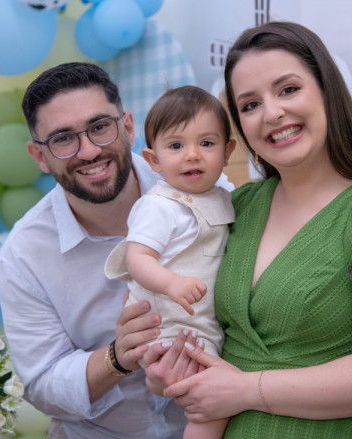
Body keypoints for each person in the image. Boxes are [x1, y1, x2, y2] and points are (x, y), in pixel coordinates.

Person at [145, 21, 352, 438]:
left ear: (327, 91)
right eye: (249, 105)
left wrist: (246, 389)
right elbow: (210, 334)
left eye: (288, 89)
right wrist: (168, 370)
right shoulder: (238, 207)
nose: (272, 113)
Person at [0, 62, 223, 438]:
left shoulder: (203, 190)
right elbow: (41, 385)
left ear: (128, 127)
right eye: (63, 139)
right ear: (39, 156)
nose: (88, 151)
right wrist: (116, 358)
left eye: (100, 127)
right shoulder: (24, 254)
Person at [105, 85, 236, 438]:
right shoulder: (159, 206)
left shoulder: (226, 196)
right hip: (171, 328)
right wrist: (171, 283)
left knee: (214, 400)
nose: (192, 155)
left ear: (228, 152)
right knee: (210, 409)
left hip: (202, 324)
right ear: (154, 160)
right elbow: (137, 259)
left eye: (206, 143)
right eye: (176, 146)